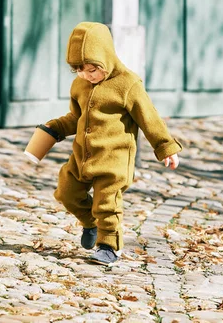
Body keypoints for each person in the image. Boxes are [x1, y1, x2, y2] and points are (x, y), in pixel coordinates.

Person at [45, 22, 182, 266]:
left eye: (92, 69)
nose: (86, 75)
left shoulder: (128, 84)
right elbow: (76, 118)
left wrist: (165, 147)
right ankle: (90, 223)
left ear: (106, 59)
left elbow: (148, 117)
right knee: (66, 191)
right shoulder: (80, 85)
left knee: (107, 203)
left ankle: (108, 245)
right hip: (83, 156)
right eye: (79, 70)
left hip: (114, 159)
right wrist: (55, 128)